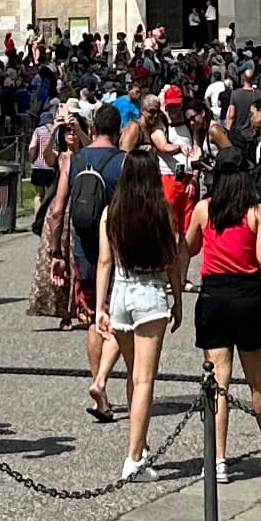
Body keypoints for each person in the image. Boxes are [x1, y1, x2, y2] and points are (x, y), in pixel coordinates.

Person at [94, 143, 182, 478]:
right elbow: (172, 260)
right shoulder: (162, 210)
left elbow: (104, 262)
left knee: (133, 375)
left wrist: (102, 304)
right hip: (150, 292)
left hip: (121, 291)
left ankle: (139, 442)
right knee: (145, 379)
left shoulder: (111, 211)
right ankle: (133, 457)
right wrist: (178, 299)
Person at [189, 154, 261, 470]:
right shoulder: (255, 212)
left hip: (214, 293)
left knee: (218, 382)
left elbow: (189, 247)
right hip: (247, 295)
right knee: (259, 381)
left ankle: (218, 458)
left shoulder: (205, 209)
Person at [66, 109, 125, 400]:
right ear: (119, 130)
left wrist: (54, 251)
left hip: (83, 248)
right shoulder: (122, 161)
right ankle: (102, 379)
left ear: (93, 126)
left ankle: (96, 380)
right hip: (115, 247)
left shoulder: (75, 159)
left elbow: (58, 207)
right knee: (115, 317)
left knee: (92, 318)